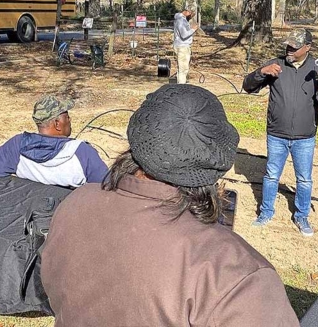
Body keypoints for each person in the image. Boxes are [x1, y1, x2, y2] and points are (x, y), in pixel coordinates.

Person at [41, 84, 300, 326]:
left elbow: (54, 290)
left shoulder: (75, 203)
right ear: (217, 161)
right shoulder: (236, 275)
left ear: (139, 137)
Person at [243, 28, 318, 236]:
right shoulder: (276, 65)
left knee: (304, 179)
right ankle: (266, 212)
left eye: (294, 47)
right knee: (271, 175)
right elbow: (247, 86)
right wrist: (262, 73)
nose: (289, 50)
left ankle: (301, 215)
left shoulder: (317, 68)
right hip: (277, 133)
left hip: (305, 137)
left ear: (307, 48)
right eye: (288, 45)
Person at [0, 95, 108, 188]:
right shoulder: (82, 152)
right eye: (67, 117)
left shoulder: (18, 145)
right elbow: (106, 187)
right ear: (57, 124)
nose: (69, 120)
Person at [173, 8, 198, 83]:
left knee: (181, 68)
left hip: (181, 46)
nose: (191, 16)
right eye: (191, 14)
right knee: (183, 69)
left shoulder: (181, 19)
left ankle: (181, 84)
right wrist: (193, 29)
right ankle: (181, 87)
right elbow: (184, 35)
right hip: (182, 47)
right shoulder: (181, 20)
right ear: (187, 12)